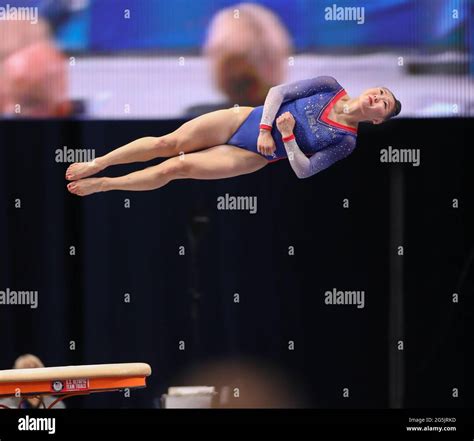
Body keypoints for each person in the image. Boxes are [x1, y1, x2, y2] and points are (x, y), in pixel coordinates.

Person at [65, 75, 401, 196]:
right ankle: (100, 162)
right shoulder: (330, 86)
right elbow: (277, 92)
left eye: (383, 104)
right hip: (248, 120)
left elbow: (304, 171)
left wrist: (286, 138)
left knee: (174, 168)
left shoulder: (345, 141)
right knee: (168, 144)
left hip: (255, 155)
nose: (378, 97)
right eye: (381, 91)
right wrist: (268, 127)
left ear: (377, 120)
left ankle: (106, 184)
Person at [0, 354, 66, 409]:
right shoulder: (5, 405)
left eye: (35, 367)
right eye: (25, 368)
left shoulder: (56, 404)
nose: (31, 374)